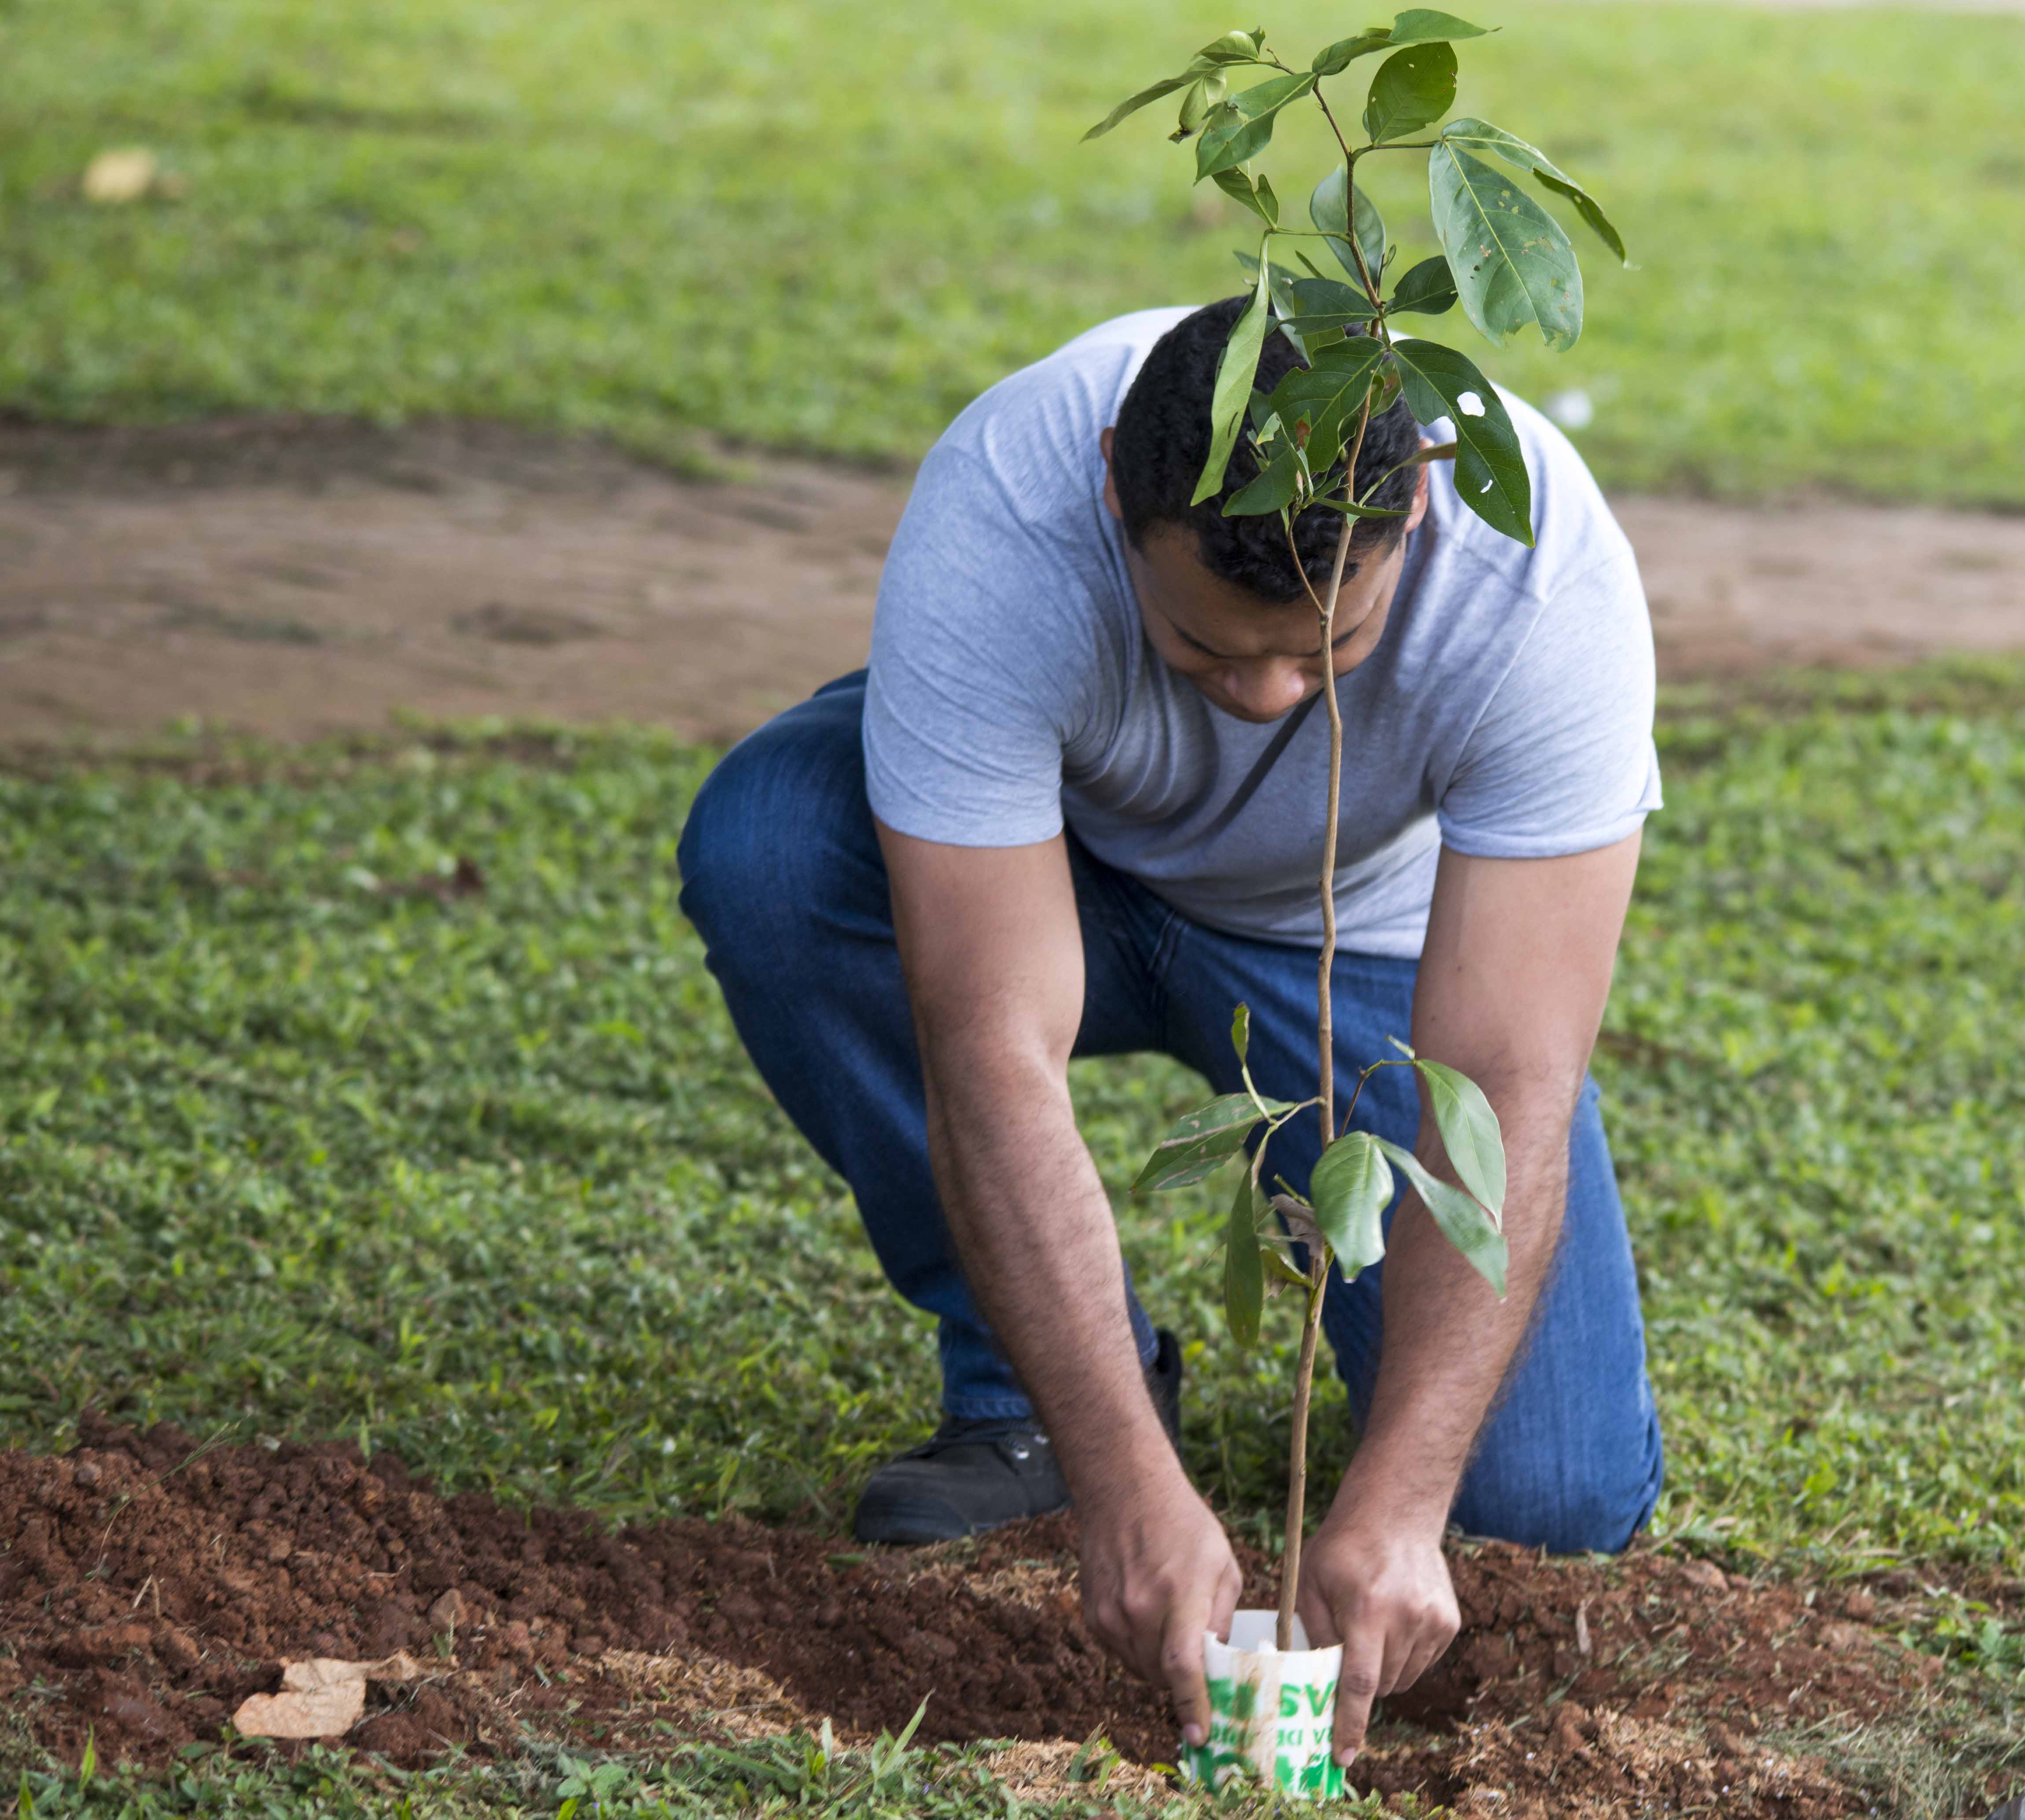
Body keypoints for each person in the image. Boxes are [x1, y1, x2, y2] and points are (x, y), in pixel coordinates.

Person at [674, 297, 1662, 1761]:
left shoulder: (1538, 578)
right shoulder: (1009, 511)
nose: (1265, 694)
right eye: (1207, 642)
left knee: (1551, 1497)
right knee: (769, 847)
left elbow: (1505, 1081)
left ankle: (1369, 1473)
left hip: (1358, 950)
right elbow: (990, 1046)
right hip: (1055, 871)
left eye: (1324, 650)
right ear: (1114, 496)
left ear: (1423, 503)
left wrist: (1393, 1505)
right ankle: (1029, 1394)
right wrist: (1118, 1473)